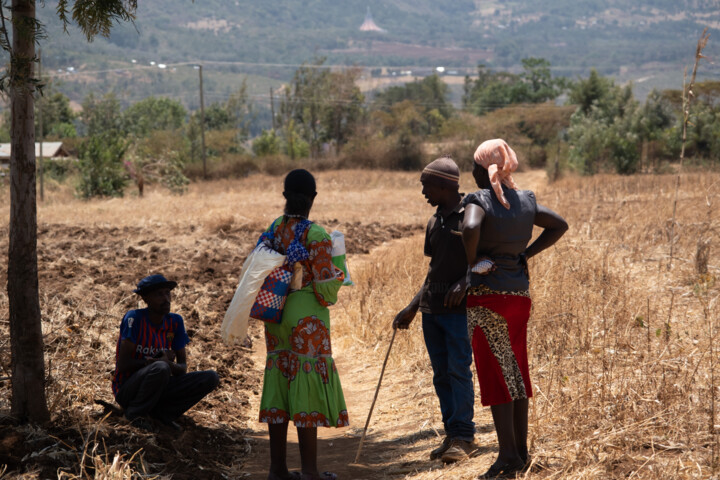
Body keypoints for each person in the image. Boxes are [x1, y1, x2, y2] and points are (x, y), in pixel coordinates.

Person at [461, 139, 568, 479]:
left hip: (487, 298)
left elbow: (471, 227)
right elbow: (559, 225)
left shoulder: (479, 200)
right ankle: (520, 452)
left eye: (474, 168)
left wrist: (473, 261)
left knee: (496, 376)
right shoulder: (525, 201)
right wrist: (524, 255)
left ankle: (507, 457)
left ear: (481, 170)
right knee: (516, 373)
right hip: (519, 296)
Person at [259, 169, 348, 480]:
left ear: (285, 197)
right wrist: (339, 266)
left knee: (280, 379)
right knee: (305, 381)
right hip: (306, 317)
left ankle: (277, 470)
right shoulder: (318, 236)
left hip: (276, 313)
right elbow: (326, 290)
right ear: (313, 199)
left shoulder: (274, 229)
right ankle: (310, 471)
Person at [392, 156, 477, 464]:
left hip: (458, 311)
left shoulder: (471, 214)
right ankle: (452, 434)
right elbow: (433, 270)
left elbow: (485, 260)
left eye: (426, 186)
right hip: (432, 311)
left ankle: (465, 438)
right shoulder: (434, 220)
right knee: (441, 375)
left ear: (445, 185)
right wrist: (412, 308)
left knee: (458, 371)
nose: (423, 192)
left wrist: (465, 282)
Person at [111, 274, 220, 432]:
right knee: (161, 368)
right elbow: (123, 365)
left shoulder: (175, 322)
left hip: (158, 387)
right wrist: (155, 362)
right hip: (128, 390)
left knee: (211, 378)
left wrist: (168, 364)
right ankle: (135, 414)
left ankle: (163, 414)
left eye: (167, 293)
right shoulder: (134, 319)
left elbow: (182, 369)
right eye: (159, 294)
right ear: (146, 299)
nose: (166, 299)